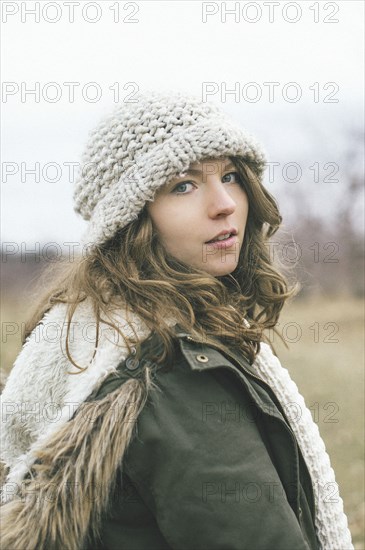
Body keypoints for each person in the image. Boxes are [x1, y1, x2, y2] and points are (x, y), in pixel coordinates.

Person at [0, 90, 353, 550]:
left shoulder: (93, 327)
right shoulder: (175, 368)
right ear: (130, 221)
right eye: (183, 185)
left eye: (230, 175)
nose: (224, 203)